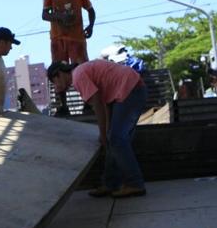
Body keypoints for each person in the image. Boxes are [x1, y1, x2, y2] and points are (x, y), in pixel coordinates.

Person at [48, 60, 148, 198]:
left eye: (55, 82)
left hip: (130, 90)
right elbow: (104, 103)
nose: (57, 87)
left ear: (58, 74)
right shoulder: (81, 72)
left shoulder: (77, 76)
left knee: (116, 139)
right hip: (130, 90)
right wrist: (106, 131)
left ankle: (135, 184)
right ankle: (110, 183)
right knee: (112, 139)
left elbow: (98, 106)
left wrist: (102, 133)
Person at [43, 0, 96, 116]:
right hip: (57, 38)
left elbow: (90, 10)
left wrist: (91, 26)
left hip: (76, 38)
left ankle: (87, 103)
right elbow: (45, 15)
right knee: (58, 70)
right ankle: (63, 105)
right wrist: (60, 16)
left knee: (81, 68)